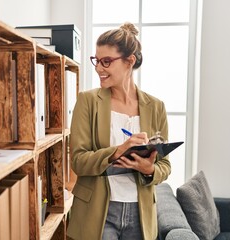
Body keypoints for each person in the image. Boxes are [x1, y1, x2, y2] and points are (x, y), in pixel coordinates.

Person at [67, 22, 171, 240]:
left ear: (129, 62)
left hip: (140, 214)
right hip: (98, 213)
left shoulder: (156, 106)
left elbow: (165, 166)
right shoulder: (88, 101)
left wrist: (149, 169)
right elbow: (78, 161)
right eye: (96, 61)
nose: (98, 68)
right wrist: (118, 151)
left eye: (106, 62)